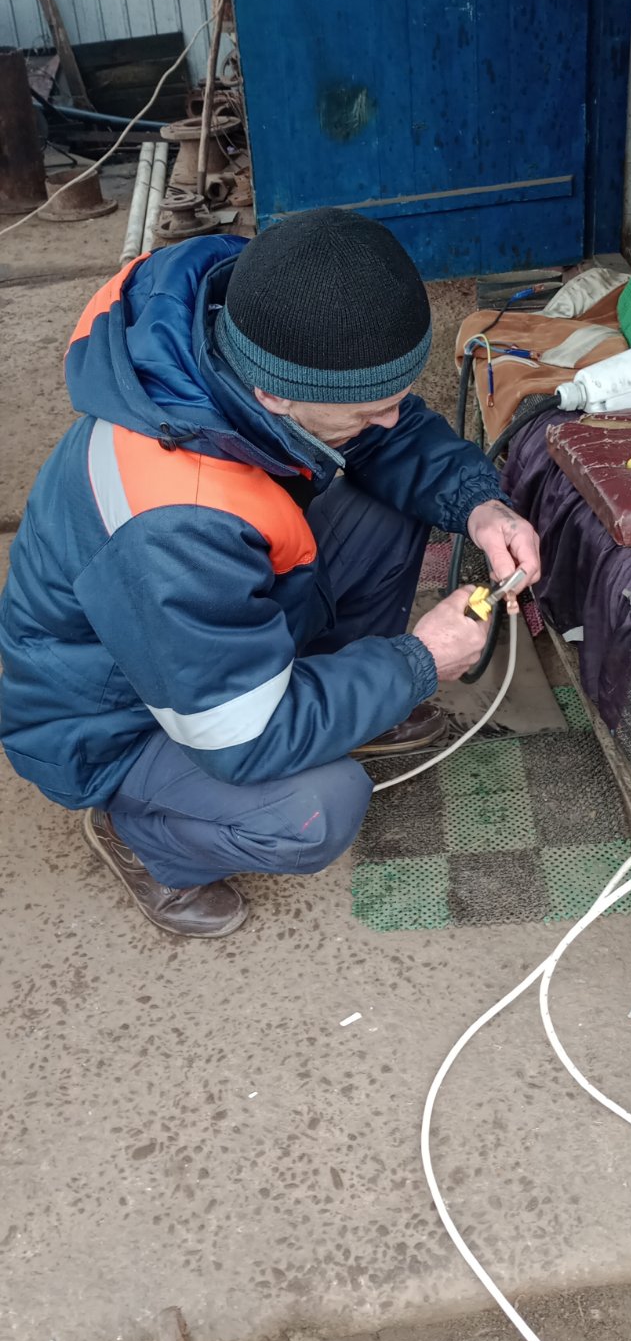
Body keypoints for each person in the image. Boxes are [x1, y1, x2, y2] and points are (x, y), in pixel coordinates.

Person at [0, 208, 540, 938]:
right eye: (371, 408)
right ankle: (146, 836)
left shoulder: (261, 331)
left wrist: (480, 506)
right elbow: (243, 737)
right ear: (274, 397)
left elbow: (394, 432)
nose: (390, 418)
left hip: (207, 632)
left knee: (390, 495)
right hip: (116, 723)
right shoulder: (173, 521)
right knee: (317, 810)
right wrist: (418, 661)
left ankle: (345, 704)